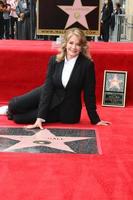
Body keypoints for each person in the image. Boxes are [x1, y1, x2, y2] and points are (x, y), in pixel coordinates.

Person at [0, 27, 110, 129]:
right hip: (49, 93)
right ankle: (9, 109)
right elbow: (48, 88)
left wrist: (95, 120)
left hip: (66, 109)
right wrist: (40, 116)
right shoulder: (54, 60)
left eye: (78, 44)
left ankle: (15, 113)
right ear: (65, 43)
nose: (73, 47)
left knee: (19, 119)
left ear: (82, 47)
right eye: (71, 43)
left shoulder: (87, 65)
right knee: (14, 105)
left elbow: (89, 94)